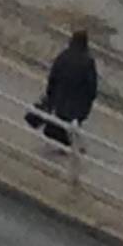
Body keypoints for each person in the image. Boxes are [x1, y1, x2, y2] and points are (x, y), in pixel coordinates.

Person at [32, 27, 99, 156]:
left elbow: (53, 76)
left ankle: (63, 145)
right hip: (77, 101)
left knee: (60, 121)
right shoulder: (88, 62)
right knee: (73, 124)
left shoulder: (64, 56)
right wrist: (89, 100)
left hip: (61, 98)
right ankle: (74, 149)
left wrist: (51, 95)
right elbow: (91, 85)